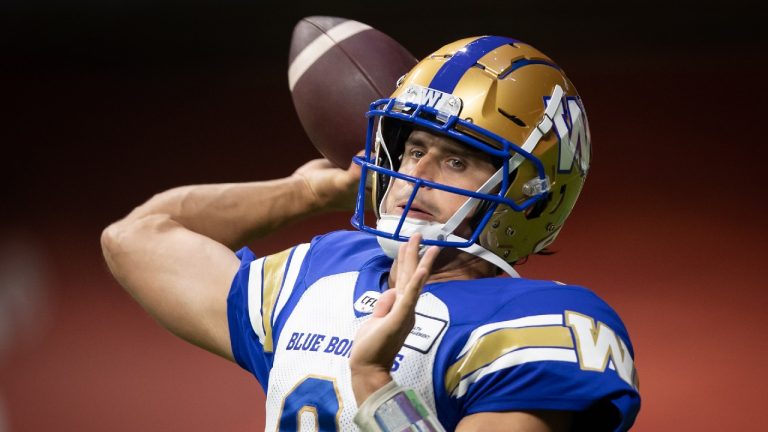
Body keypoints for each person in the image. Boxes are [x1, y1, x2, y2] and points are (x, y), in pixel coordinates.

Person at [102, 35, 640, 431]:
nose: (416, 177)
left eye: (457, 162)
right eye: (412, 150)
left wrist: (375, 381)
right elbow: (138, 237)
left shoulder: (542, 325)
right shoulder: (323, 270)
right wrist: (310, 193)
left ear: (532, 193)